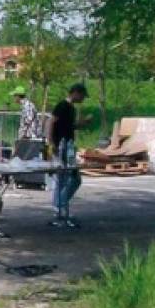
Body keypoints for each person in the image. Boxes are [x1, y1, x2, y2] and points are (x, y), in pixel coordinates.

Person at [46, 83, 89, 226]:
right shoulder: (62, 105)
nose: (83, 98)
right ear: (75, 93)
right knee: (67, 177)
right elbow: (50, 122)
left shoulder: (71, 109)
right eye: (82, 95)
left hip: (69, 146)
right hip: (61, 146)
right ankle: (59, 206)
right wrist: (51, 142)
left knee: (69, 178)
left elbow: (69, 126)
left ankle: (60, 205)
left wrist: (81, 124)